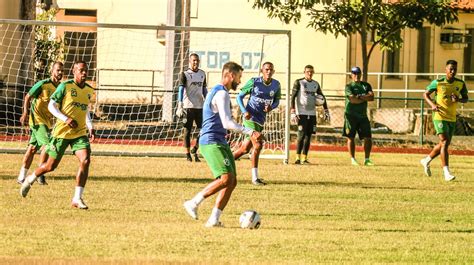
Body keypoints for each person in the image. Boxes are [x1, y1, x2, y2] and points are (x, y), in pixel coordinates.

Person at [183, 61, 263, 227]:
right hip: (211, 142)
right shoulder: (222, 94)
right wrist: (250, 132)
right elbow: (227, 123)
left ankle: (213, 219)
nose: (240, 82)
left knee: (232, 181)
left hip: (219, 141)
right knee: (226, 178)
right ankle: (193, 202)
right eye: (239, 77)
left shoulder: (220, 92)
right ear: (230, 75)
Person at [20, 60, 96, 209]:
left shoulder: (88, 90)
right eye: (81, 70)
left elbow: (85, 109)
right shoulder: (65, 86)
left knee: (85, 160)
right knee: (50, 166)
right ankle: (31, 178)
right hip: (61, 133)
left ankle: (77, 198)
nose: (84, 73)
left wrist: (90, 126)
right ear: (74, 72)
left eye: (86, 70)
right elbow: (51, 105)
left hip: (79, 133)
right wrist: (66, 119)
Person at [232, 62, 281, 185]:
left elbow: (277, 101)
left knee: (244, 149)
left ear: (273, 71)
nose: (268, 72)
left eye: (270, 70)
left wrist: (271, 107)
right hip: (250, 118)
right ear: (262, 71)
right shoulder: (254, 82)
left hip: (261, 119)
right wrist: (244, 111)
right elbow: (239, 97)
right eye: (266, 69)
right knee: (258, 145)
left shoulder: (276, 85)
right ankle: (255, 178)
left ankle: (224, 165)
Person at [420, 60, 469, 181]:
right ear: (445, 69)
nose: (453, 71)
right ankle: (446, 172)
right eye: (451, 69)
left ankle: (426, 160)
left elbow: (465, 99)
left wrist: (458, 99)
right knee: (445, 141)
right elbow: (425, 94)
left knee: (443, 144)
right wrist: (432, 105)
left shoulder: (460, 83)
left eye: (455, 69)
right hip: (439, 116)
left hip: (451, 117)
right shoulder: (438, 82)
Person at [17, 62, 64, 185]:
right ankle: (39, 174)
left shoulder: (60, 88)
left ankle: (21, 177)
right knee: (47, 146)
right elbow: (28, 97)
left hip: (47, 121)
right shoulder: (43, 84)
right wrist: (25, 113)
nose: (60, 73)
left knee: (32, 148)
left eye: (61, 71)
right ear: (52, 71)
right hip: (37, 120)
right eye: (58, 70)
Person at [290, 65, 330, 164]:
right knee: (301, 136)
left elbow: (322, 97)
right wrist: (293, 111)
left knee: (308, 136)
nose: (309, 73)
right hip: (301, 113)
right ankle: (297, 158)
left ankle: (304, 158)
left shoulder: (315, 84)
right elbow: (293, 97)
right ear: (304, 72)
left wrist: (326, 110)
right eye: (308, 71)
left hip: (312, 114)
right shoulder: (299, 82)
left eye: (311, 71)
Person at [175, 53, 207, 162]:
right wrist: (180, 104)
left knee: (204, 129)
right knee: (187, 131)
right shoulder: (185, 74)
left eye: (197, 60)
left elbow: (204, 89)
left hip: (200, 106)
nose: (196, 62)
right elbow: (180, 89)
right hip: (187, 106)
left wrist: (207, 101)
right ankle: (188, 155)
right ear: (190, 61)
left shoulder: (202, 74)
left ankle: (195, 149)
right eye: (194, 60)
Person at [343, 66, 374, 166]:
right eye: (354, 73)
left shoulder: (366, 85)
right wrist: (364, 98)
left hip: (363, 115)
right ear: (351, 75)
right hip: (351, 115)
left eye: (358, 73)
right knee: (351, 137)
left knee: (368, 137)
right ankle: (353, 159)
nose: (357, 75)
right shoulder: (349, 86)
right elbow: (352, 100)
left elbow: (372, 97)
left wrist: (359, 96)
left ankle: (367, 159)